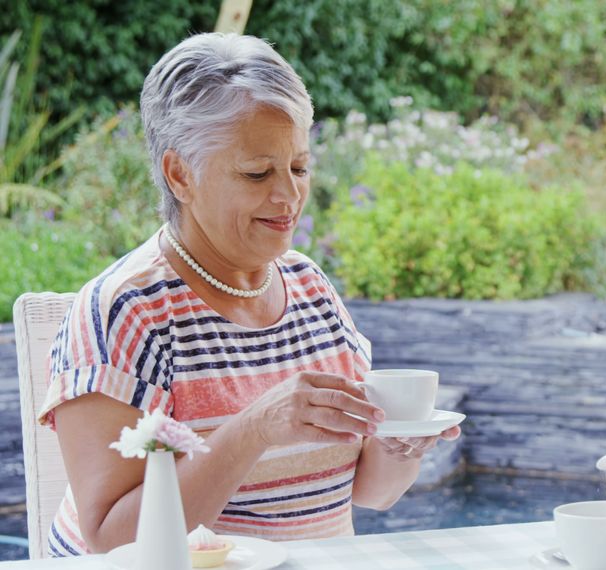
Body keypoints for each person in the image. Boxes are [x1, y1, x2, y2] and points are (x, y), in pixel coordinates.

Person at [37, 33, 460, 557]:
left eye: (299, 167)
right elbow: (109, 539)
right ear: (180, 175)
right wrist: (256, 428)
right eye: (258, 172)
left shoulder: (311, 288)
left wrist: (401, 446)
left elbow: (371, 492)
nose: (289, 195)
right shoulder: (126, 312)